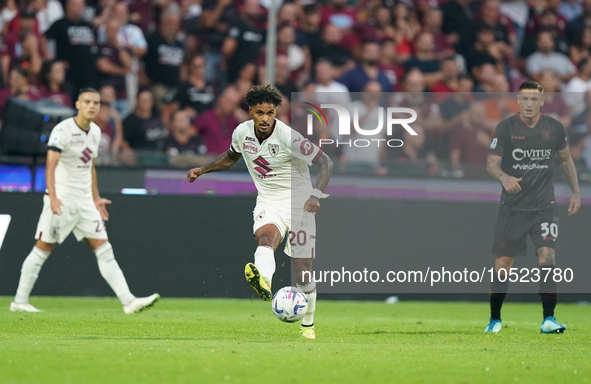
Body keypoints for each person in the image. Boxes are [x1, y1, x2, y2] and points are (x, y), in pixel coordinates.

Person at [187, 85, 333, 339]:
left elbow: (326, 162)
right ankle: (263, 280)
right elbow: (231, 157)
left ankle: (307, 325)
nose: (265, 118)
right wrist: (203, 169)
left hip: (300, 203)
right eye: (259, 113)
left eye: (269, 113)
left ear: (276, 112)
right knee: (265, 238)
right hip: (268, 200)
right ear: (251, 112)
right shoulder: (241, 133)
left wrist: (315, 196)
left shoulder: (289, 136)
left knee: (302, 269)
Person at [9, 87, 160, 314]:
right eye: (87, 102)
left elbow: (90, 168)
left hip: (85, 202)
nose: (92, 106)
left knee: (104, 249)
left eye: (96, 103)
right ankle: (19, 302)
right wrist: (53, 197)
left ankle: (129, 301)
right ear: (78, 104)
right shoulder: (63, 130)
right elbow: (50, 166)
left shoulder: (96, 132)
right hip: (62, 198)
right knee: (42, 248)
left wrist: (96, 198)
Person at [485, 80, 581, 333]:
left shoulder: (554, 128)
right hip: (513, 207)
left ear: (542, 101)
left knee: (548, 256)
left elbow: (566, 159)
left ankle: (548, 319)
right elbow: (491, 162)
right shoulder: (505, 128)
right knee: (504, 263)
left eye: (534, 99)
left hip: (543, 207)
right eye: (525, 99)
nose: (529, 104)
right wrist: (504, 177)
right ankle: (494, 319)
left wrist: (576, 192)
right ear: (518, 100)